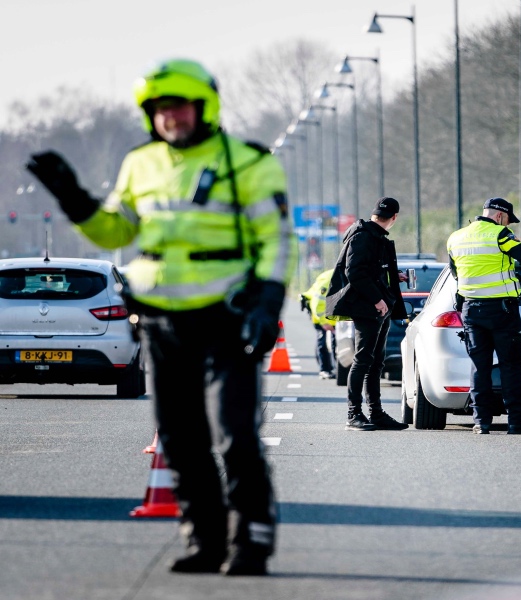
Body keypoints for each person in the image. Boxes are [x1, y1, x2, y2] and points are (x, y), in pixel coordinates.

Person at [25, 59, 296, 575]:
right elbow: (115, 234)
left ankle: (252, 541)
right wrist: (74, 200)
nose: (169, 117)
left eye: (178, 106)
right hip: (162, 324)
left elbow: (275, 240)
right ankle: (206, 540)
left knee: (235, 435)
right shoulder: (140, 163)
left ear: (204, 106)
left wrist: (267, 303)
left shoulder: (248, 163)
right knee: (180, 438)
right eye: (159, 110)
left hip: (228, 319)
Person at [447, 198, 521, 435]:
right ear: (500, 217)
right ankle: (516, 422)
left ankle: (481, 421)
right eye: (508, 221)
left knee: (479, 367)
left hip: (471, 310)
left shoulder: (456, 237)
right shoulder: (501, 235)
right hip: (502, 311)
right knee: (511, 366)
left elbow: (455, 273)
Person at [322, 197, 409, 432]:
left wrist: (393, 275)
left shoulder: (374, 235)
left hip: (377, 307)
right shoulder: (363, 235)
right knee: (362, 360)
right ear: (394, 218)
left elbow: (369, 269)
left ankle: (376, 413)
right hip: (367, 307)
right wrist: (377, 300)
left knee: (375, 362)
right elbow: (356, 273)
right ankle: (354, 414)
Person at [301, 268, 337, 379]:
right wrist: (324, 323)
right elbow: (318, 303)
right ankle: (324, 369)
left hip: (333, 315)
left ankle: (337, 368)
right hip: (319, 314)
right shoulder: (329, 279)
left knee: (335, 342)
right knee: (323, 341)